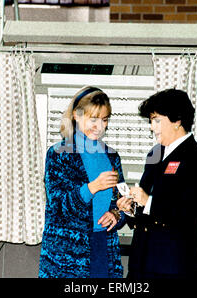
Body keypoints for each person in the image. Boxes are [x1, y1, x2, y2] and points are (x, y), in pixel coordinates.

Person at [117, 88, 197, 278]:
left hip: (174, 265)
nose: (151, 127)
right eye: (151, 121)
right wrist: (130, 208)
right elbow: (145, 208)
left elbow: (190, 214)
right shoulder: (155, 154)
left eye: (157, 121)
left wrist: (149, 202)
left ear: (177, 120)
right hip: (141, 263)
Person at [39, 86, 126, 278]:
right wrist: (93, 187)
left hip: (104, 246)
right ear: (76, 117)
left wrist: (117, 214)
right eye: (93, 119)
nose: (100, 126)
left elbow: (121, 201)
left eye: (104, 120)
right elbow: (59, 206)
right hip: (66, 254)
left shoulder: (112, 157)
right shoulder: (59, 154)